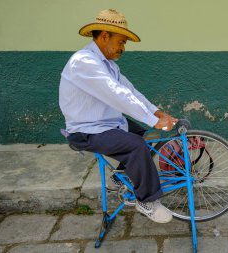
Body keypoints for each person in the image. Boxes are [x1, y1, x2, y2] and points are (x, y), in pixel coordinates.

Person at [59, 9, 178, 223]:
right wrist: (154, 119)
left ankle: (120, 176)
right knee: (136, 145)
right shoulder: (84, 62)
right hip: (86, 130)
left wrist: (156, 113)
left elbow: (130, 91)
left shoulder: (109, 66)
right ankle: (147, 201)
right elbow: (117, 95)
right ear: (105, 35)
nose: (123, 48)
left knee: (149, 134)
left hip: (107, 123)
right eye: (121, 41)